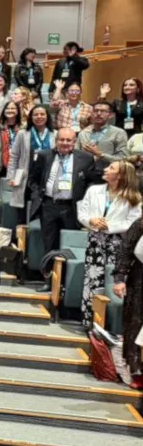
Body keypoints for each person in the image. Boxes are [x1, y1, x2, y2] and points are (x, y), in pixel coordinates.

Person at [76, 161, 142, 327]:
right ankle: (89, 321)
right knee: (92, 280)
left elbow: (133, 223)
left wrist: (110, 227)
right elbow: (82, 212)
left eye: (111, 168)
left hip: (118, 244)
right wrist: (91, 221)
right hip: (95, 242)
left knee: (113, 281)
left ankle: (112, 324)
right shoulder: (94, 190)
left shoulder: (134, 197)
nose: (105, 169)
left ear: (120, 176)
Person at [28, 128, 101, 260]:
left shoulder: (86, 158)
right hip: (49, 205)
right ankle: (49, 271)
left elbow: (91, 181)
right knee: (49, 243)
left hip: (71, 207)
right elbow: (33, 179)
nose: (65, 143)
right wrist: (37, 193)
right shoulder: (44, 156)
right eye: (62, 140)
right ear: (56, 141)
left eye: (69, 140)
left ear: (74, 142)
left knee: (70, 243)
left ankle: (67, 271)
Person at [113, 212, 143, 390]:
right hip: (139, 279)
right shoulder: (140, 223)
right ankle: (136, 370)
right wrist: (119, 278)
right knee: (135, 323)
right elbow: (125, 250)